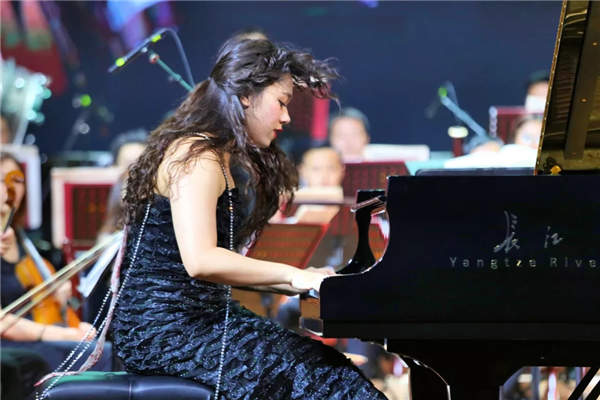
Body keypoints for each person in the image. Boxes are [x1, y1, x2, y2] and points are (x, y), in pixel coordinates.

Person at [111, 37, 386, 399]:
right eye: (281, 102)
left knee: (330, 370)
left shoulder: (217, 155)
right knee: (330, 381)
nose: (286, 117)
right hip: (165, 331)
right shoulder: (197, 156)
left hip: (200, 320)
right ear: (245, 96)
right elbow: (201, 260)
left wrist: (305, 279)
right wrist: (297, 276)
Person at [0, 151, 109, 399]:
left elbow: (48, 304)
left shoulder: (28, 243)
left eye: (16, 180)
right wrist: (63, 334)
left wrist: (64, 305)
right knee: (100, 355)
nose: (9, 188)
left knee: (101, 350)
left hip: (39, 336)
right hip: (12, 343)